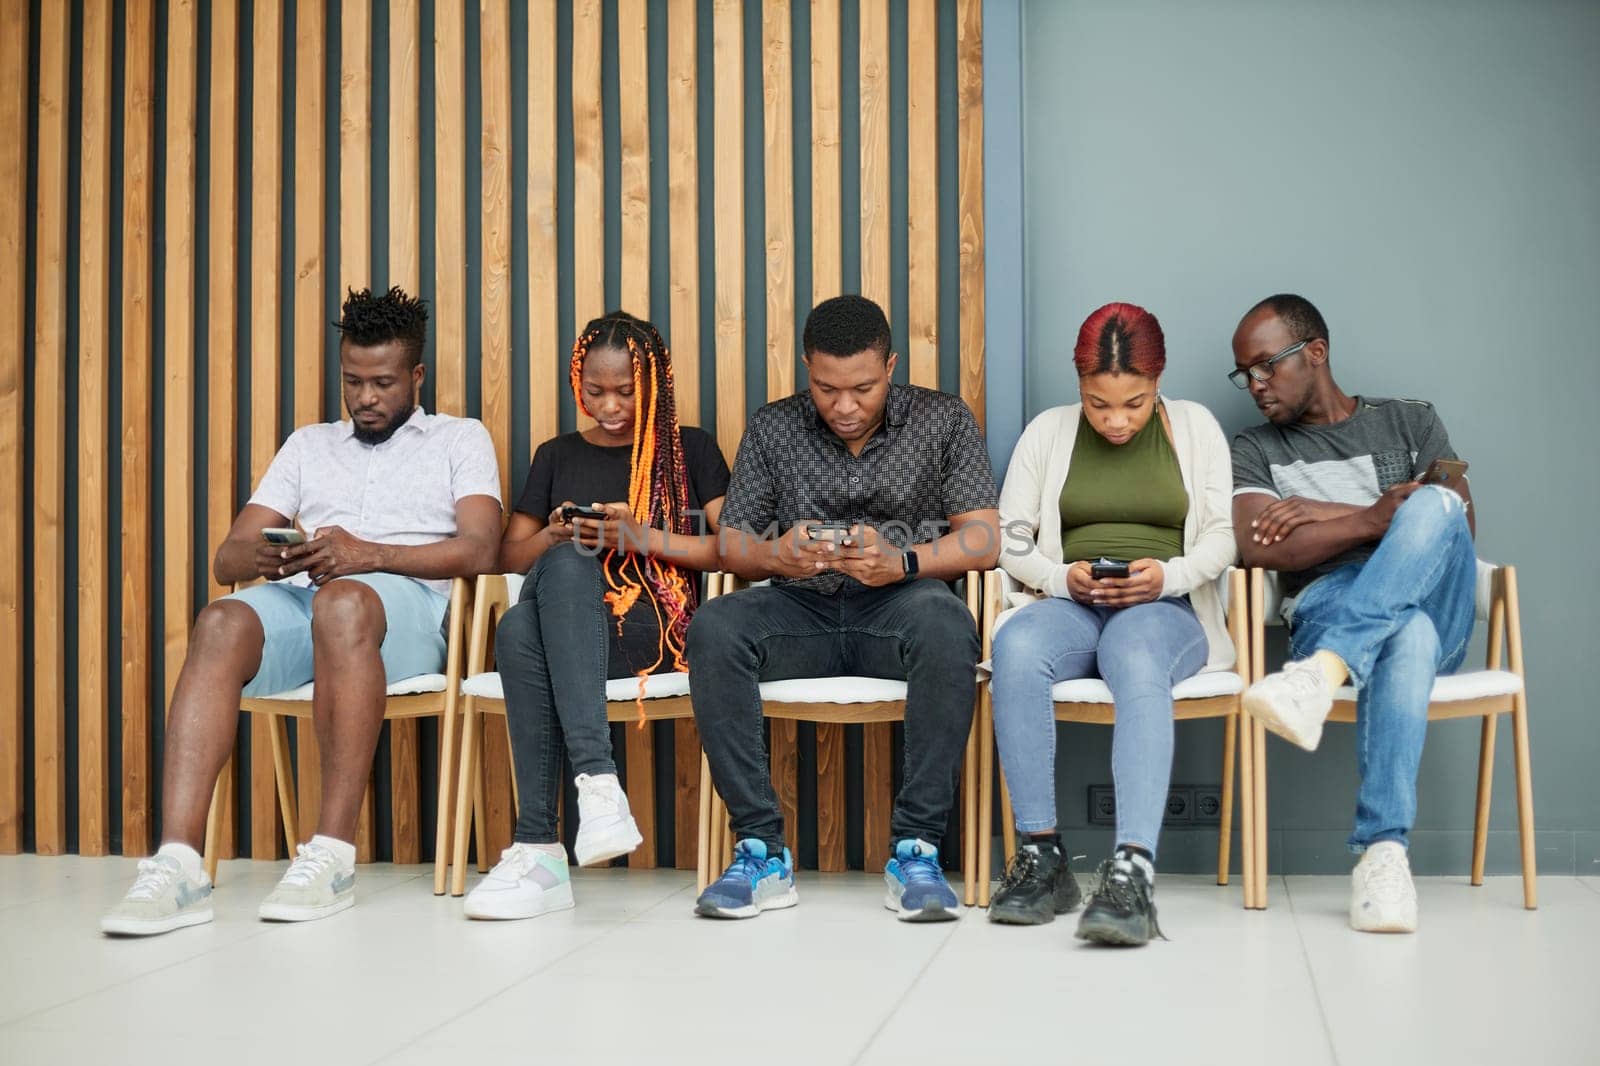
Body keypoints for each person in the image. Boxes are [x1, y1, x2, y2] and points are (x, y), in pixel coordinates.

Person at [101, 286, 502, 936]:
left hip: (403, 620)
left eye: (383, 382)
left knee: (343, 604)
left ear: (417, 375)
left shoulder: (459, 438)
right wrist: (266, 558)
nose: (366, 397)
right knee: (221, 620)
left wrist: (365, 553)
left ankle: (331, 856)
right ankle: (177, 867)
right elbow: (227, 560)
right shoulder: (309, 445)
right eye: (352, 381)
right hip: (308, 602)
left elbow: (480, 549)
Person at [687, 294, 1000, 922]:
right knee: (716, 626)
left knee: (948, 624)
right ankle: (759, 851)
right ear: (807, 369)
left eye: (862, 388)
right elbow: (733, 544)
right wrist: (779, 556)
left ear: (891, 366)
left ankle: (916, 851)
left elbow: (985, 539)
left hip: (902, 606)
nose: (845, 406)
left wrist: (902, 561)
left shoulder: (942, 421)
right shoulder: (774, 425)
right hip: (799, 609)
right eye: (827, 389)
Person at [463, 311, 730, 921]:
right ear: (576, 383)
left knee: (526, 620)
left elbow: (734, 548)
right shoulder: (556, 454)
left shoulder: (690, 448)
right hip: (571, 631)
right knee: (530, 605)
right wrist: (555, 533)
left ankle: (543, 840)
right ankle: (594, 792)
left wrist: (641, 538)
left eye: (626, 391)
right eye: (595, 391)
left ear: (654, 384)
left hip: (657, 628)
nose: (610, 406)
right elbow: (507, 555)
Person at [987, 303, 1235, 946]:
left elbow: (1222, 538)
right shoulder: (1049, 432)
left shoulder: (1196, 428)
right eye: (1099, 404)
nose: (1116, 420)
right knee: (1014, 646)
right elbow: (1010, 538)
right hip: (1071, 601)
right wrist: (1058, 577)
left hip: (1164, 609)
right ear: (1079, 387)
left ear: (1158, 383)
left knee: (1135, 652)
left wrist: (1169, 575)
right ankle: (1042, 858)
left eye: (1135, 402)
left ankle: (1132, 875)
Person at [1230, 293, 1476, 934]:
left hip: (1430, 600)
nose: (1255, 385)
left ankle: (1323, 673)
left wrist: (1317, 513)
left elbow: (1457, 522)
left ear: (1316, 352)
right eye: (1245, 374)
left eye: (1265, 366)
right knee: (1408, 632)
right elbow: (1258, 544)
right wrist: (1373, 516)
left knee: (1435, 510)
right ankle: (1384, 853)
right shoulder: (1255, 447)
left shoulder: (1411, 422)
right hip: (1329, 602)